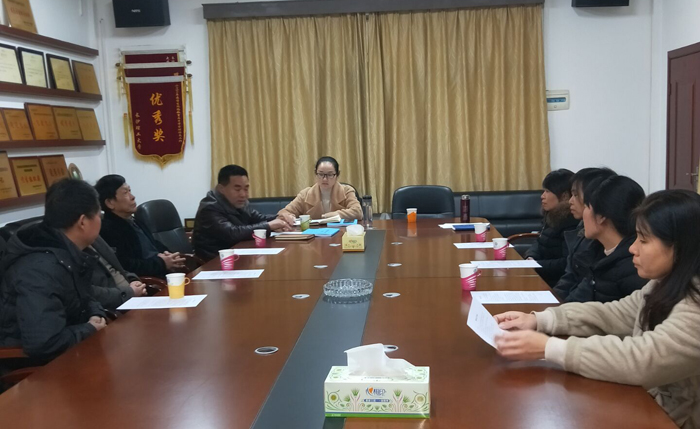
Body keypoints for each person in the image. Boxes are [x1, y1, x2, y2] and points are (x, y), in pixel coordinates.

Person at [494, 190, 700, 428]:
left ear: (681, 247)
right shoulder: (665, 282)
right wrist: (541, 320)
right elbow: (616, 313)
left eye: (643, 240)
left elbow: (644, 359)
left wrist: (550, 347)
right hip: (648, 403)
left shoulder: (695, 303)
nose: (632, 248)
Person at [0, 179, 107, 361]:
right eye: (99, 214)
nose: (100, 220)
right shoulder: (39, 269)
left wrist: (95, 313)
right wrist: (88, 329)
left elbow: (84, 296)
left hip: (71, 349)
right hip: (34, 367)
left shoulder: (67, 252)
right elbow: (44, 343)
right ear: (83, 222)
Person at [554, 175, 646, 302]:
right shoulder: (596, 253)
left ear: (601, 216)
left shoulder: (633, 266)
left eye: (586, 206)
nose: (584, 214)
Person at [193, 165, 293, 260]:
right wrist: (269, 226)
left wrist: (279, 217)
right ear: (221, 189)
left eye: (246, 189)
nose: (243, 194)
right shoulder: (210, 207)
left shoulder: (240, 202)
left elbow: (259, 218)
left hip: (238, 255)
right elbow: (232, 233)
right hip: (215, 261)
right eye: (237, 189)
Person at [95, 175, 185, 278]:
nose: (132, 197)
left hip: (163, 273)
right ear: (110, 203)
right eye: (125, 193)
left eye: (130, 191)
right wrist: (162, 263)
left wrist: (170, 256)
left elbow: (154, 245)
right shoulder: (109, 230)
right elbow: (126, 265)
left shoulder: (135, 220)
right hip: (149, 281)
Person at [554, 168, 617, 296]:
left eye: (576, 195)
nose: (570, 201)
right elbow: (569, 279)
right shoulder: (582, 231)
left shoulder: (602, 244)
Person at [525, 169, 579, 286]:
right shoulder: (551, 214)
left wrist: (537, 265)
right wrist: (531, 256)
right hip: (540, 275)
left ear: (564, 196)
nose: (542, 196)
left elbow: (566, 263)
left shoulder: (572, 221)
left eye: (548, 191)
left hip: (555, 283)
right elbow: (540, 241)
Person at [277, 156, 362, 223]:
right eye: (321, 174)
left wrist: (333, 215)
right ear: (316, 174)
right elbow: (284, 212)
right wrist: (289, 216)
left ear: (337, 175)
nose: (324, 179)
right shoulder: (305, 194)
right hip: (313, 236)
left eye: (330, 175)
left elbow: (357, 212)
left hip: (341, 234)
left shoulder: (347, 191)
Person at [88, 235, 147, 311]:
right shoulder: (76, 252)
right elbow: (90, 293)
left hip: (133, 298)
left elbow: (118, 268)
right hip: (113, 309)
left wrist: (133, 280)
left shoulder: (96, 238)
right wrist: (130, 292)